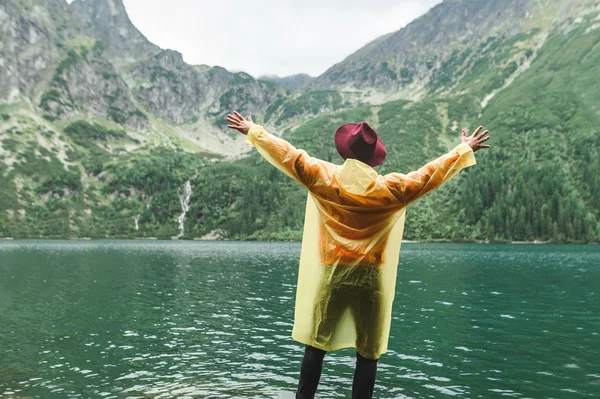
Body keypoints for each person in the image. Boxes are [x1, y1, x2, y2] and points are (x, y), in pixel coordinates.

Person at [226, 111, 490, 398]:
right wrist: (463, 149)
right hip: (370, 281)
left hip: (333, 275)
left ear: (347, 152)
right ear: (372, 157)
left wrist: (254, 131)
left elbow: (289, 155)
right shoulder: (390, 190)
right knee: (367, 356)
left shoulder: (323, 179)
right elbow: (428, 175)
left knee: (316, 348)